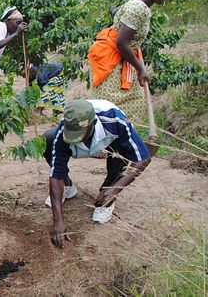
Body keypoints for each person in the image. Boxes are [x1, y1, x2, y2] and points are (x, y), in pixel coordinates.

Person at [44, 99, 152, 249]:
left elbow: (143, 158)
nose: (77, 137)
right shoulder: (66, 127)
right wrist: (58, 220)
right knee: (48, 139)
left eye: (80, 133)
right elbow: (56, 175)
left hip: (109, 144)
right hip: (80, 149)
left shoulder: (115, 120)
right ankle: (68, 187)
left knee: (122, 152)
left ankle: (107, 199)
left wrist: (114, 189)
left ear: (93, 123)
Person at [88, 0, 176, 123]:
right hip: (113, 59)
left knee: (123, 105)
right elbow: (122, 43)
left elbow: (116, 11)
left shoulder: (138, 0)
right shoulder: (138, 8)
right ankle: (115, 143)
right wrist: (140, 68)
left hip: (120, 56)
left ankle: (119, 141)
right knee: (112, 107)